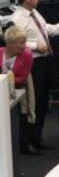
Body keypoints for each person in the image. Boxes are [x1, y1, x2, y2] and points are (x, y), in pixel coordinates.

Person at [11, 0, 59, 150]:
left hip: (45, 62)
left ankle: (37, 138)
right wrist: (35, 46)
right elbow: (16, 41)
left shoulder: (34, 13)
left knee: (42, 102)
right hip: (33, 64)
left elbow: (46, 29)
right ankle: (26, 142)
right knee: (32, 104)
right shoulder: (18, 18)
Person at [2, 27, 37, 155]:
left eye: (25, 42)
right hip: (3, 91)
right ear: (10, 43)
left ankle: (22, 145)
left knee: (22, 117)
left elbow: (22, 78)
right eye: (21, 43)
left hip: (19, 89)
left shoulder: (27, 54)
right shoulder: (0, 52)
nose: (24, 46)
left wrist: (5, 79)